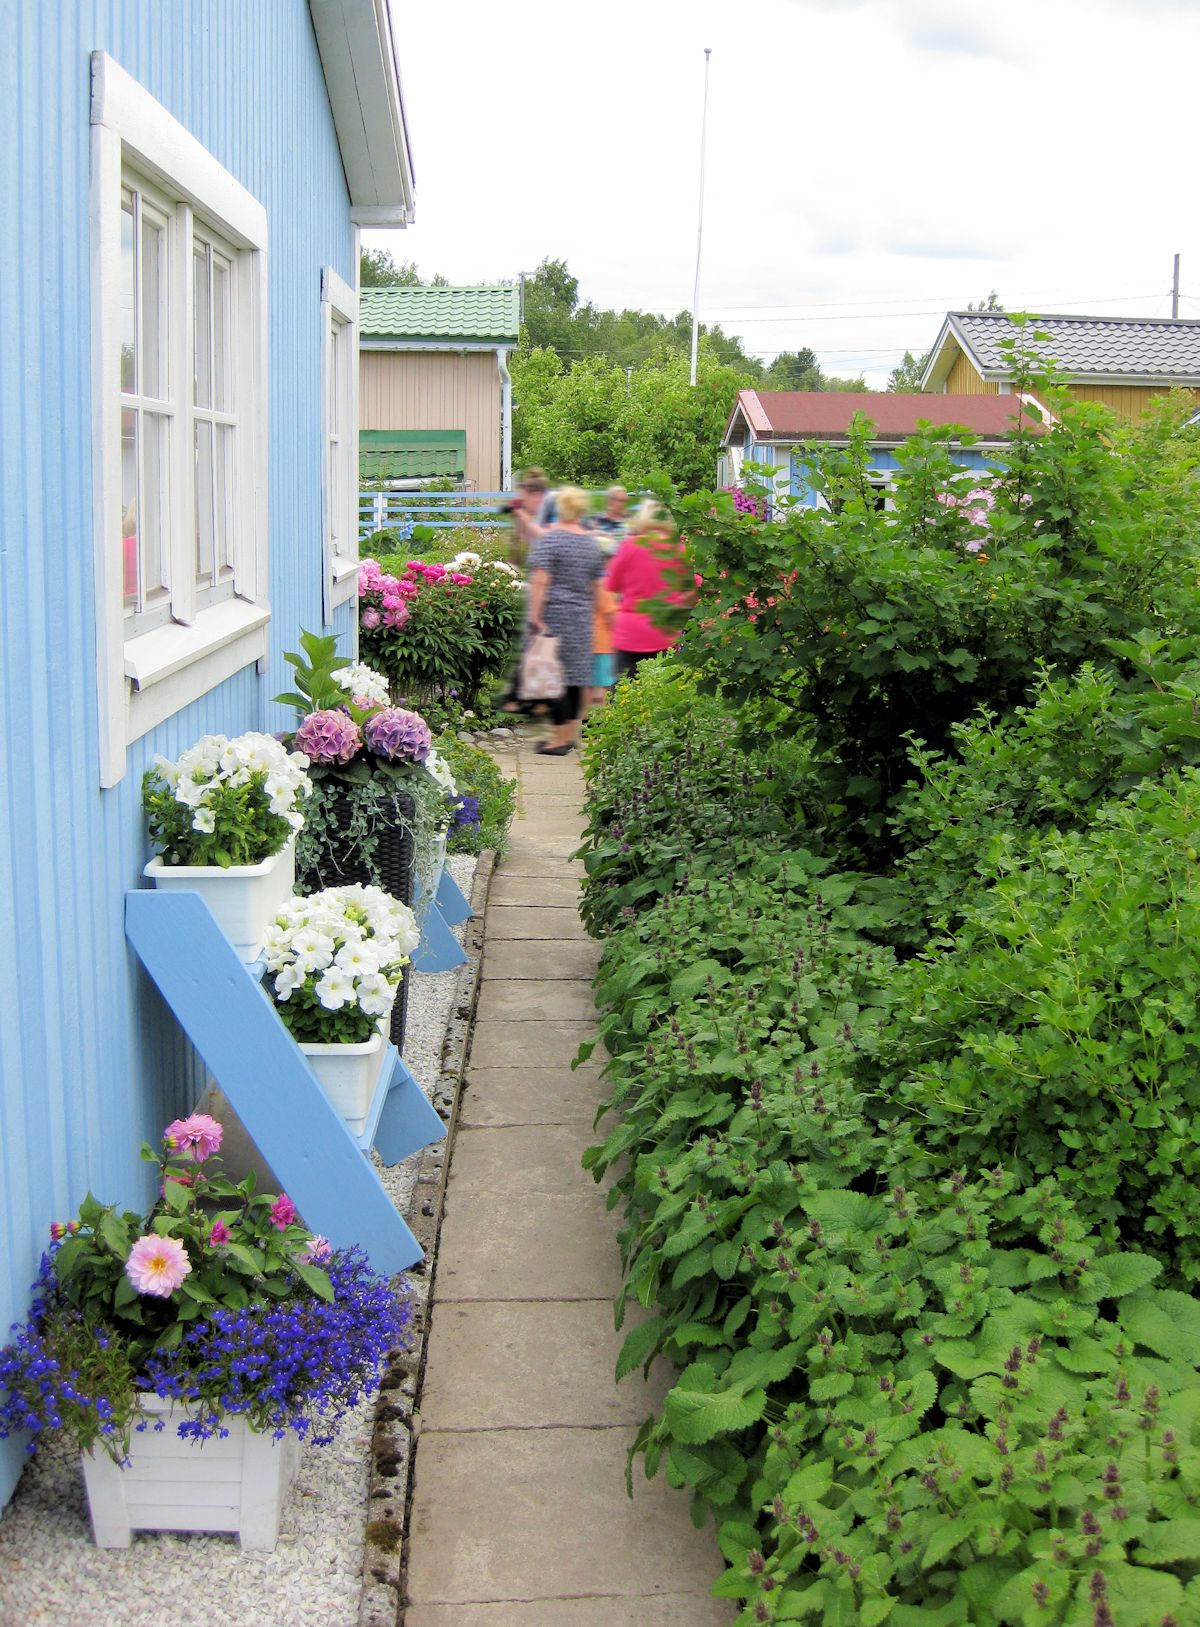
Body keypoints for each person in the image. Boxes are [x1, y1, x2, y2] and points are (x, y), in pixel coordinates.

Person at [527, 486, 605, 754]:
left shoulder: (550, 539)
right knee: (575, 678)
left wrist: (535, 615)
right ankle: (570, 735)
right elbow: (598, 586)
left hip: (555, 616)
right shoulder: (592, 543)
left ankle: (559, 741)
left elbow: (540, 581)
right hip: (582, 617)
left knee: (554, 678)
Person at [605, 500, 694, 679]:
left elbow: (612, 585)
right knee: (661, 690)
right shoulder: (678, 549)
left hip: (629, 634)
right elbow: (693, 590)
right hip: (664, 633)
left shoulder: (629, 545)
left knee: (623, 689)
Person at [585, 485, 629, 553]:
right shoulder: (595, 519)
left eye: (622, 501)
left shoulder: (629, 522)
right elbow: (583, 539)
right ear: (608, 499)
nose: (619, 503)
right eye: (614, 499)